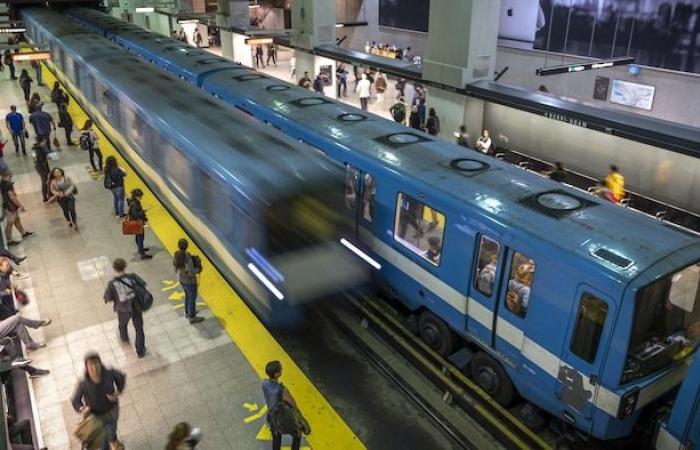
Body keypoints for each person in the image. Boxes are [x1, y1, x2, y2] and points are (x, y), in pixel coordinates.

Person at [71, 353, 126, 450]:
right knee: (102, 440)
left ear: (100, 364)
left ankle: (113, 440)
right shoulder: (83, 384)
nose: (94, 369)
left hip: (111, 411)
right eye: (90, 366)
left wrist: (118, 391)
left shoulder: (109, 374)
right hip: (96, 417)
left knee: (112, 429)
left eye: (96, 364)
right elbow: (75, 400)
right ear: (86, 368)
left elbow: (121, 377)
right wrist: (82, 408)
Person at [103, 258, 147, 356]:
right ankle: (140, 350)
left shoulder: (112, 283)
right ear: (125, 267)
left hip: (122, 309)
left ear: (114, 269)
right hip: (135, 307)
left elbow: (107, 297)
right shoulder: (132, 277)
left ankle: (124, 338)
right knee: (139, 329)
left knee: (122, 325)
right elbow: (143, 285)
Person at [262, 360, 302, 450]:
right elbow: (293, 404)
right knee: (297, 433)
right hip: (282, 418)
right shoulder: (282, 390)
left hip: (272, 418)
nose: (281, 370)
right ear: (277, 374)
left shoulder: (264, 384)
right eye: (280, 369)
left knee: (276, 438)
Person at [173, 239, 204, 324]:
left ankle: (188, 312)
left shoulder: (176, 255)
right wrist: (198, 269)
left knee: (187, 296)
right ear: (187, 246)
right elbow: (191, 271)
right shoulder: (187, 258)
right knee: (192, 298)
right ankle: (192, 317)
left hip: (182, 280)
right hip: (190, 282)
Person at [1, 170, 33, 246]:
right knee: (10, 222)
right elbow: (12, 196)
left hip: (7, 204)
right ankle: (9, 240)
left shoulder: (2, 182)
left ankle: (23, 233)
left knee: (17, 219)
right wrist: (20, 205)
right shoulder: (8, 184)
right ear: (9, 174)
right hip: (10, 205)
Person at [127, 189, 152, 259]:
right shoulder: (134, 204)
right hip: (137, 222)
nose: (141, 198)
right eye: (140, 196)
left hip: (136, 222)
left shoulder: (134, 202)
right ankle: (142, 254)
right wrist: (144, 210)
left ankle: (140, 249)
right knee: (140, 237)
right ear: (136, 196)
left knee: (138, 236)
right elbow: (136, 215)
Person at [33, 137, 51, 203]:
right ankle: (45, 196)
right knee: (44, 182)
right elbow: (40, 160)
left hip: (42, 167)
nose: (45, 143)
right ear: (41, 142)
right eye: (44, 141)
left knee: (46, 181)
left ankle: (47, 195)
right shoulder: (38, 150)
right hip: (42, 168)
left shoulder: (37, 149)